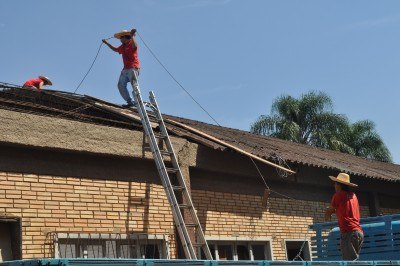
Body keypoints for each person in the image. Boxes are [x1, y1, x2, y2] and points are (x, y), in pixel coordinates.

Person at [325, 173, 364, 261]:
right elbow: (346, 210)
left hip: (348, 232)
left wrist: (327, 214)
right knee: (354, 261)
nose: (334, 186)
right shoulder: (353, 196)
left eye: (335, 183)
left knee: (349, 262)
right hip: (358, 232)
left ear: (340, 185)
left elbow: (329, 211)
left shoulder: (338, 195)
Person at [102, 29, 140, 108]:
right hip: (125, 69)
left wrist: (132, 36)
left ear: (125, 38)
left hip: (133, 68)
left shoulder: (131, 43)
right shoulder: (123, 46)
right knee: (120, 85)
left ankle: (138, 102)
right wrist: (106, 43)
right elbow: (115, 49)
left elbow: (135, 46)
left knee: (134, 85)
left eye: (121, 38)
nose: (120, 40)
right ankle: (130, 102)